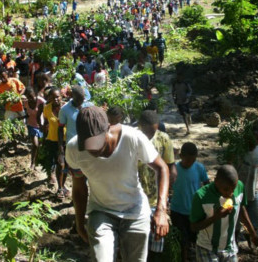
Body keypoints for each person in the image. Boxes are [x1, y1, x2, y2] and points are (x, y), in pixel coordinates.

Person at [65, 106, 170, 262]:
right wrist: (80, 224)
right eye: (88, 146)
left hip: (135, 209)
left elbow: (162, 168)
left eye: (97, 144)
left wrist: (161, 210)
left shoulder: (132, 137)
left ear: (108, 128)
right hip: (101, 210)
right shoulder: (74, 149)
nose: (93, 152)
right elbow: (79, 188)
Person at [190, 165, 258, 262]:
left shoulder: (240, 187)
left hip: (230, 249)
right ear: (216, 181)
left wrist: (253, 234)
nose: (230, 193)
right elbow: (194, 227)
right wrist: (215, 217)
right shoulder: (201, 196)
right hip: (207, 247)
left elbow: (242, 210)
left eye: (233, 189)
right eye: (226, 189)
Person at [137, 110, 176, 261]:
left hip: (156, 199)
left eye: (154, 132)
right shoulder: (134, 138)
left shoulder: (163, 138)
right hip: (137, 198)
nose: (151, 136)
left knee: (156, 243)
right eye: (149, 132)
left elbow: (170, 166)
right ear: (140, 126)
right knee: (139, 242)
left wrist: (167, 194)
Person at [170, 142, 209, 262]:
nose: (190, 163)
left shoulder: (199, 168)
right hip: (177, 210)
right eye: (188, 161)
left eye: (193, 161)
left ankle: (193, 256)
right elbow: (168, 186)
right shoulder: (175, 169)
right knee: (181, 239)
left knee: (194, 238)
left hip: (194, 211)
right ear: (181, 156)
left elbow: (207, 184)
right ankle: (183, 258)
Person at [237, 131, 258, 230]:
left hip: (253, 189)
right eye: (251, 139)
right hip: (239, 191)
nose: (254, 142)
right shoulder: (239, 152)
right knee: (237, 221)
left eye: (257, 139)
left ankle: (248, 233)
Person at [43, 88, 67, 196]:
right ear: (50, 98)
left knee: (65, 165)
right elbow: (45, 122)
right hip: (52, 140)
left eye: (57, 97)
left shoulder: (66, 108)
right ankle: (60, 188)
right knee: (59, 164)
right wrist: (44, 134)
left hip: (66, 140)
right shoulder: (47, 109)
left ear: (61, 96)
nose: (56, 99)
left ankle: (62, 185)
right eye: (53, 97)